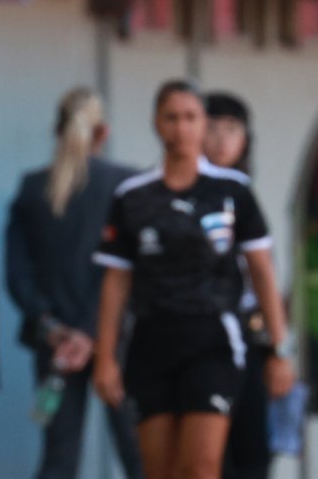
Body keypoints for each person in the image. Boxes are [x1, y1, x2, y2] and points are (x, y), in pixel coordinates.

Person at [93, 80, 296, 479]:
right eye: (172, 117)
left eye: (191, 118)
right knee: (158, 469)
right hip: (151, 339)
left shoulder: (231, 191)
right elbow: (116, 283)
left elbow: (262, 270)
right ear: (156, 123)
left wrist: (279, 348)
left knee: (200, 467)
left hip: (214, 339)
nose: (181, 128)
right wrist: (105, 359)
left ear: (202, 125)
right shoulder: (132, 195)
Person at [5, 87, 143, 479]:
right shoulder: (127, 184)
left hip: (55, 344)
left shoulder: (33, 187)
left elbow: (17, 274)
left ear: (57, 128)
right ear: (104, 132)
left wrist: (54, 328)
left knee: (59, 456)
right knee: (137, 453)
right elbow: (125, 270)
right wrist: (92, 332)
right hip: (119, 343)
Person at [204, 92, 270, 479]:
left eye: (232, 129)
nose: (223, 139)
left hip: (252, 338)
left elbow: (262, 273)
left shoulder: (245, 192)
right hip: (203, 338)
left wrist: (278, 346)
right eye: (212, 128)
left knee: (253, 453)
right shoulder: (175, 194)